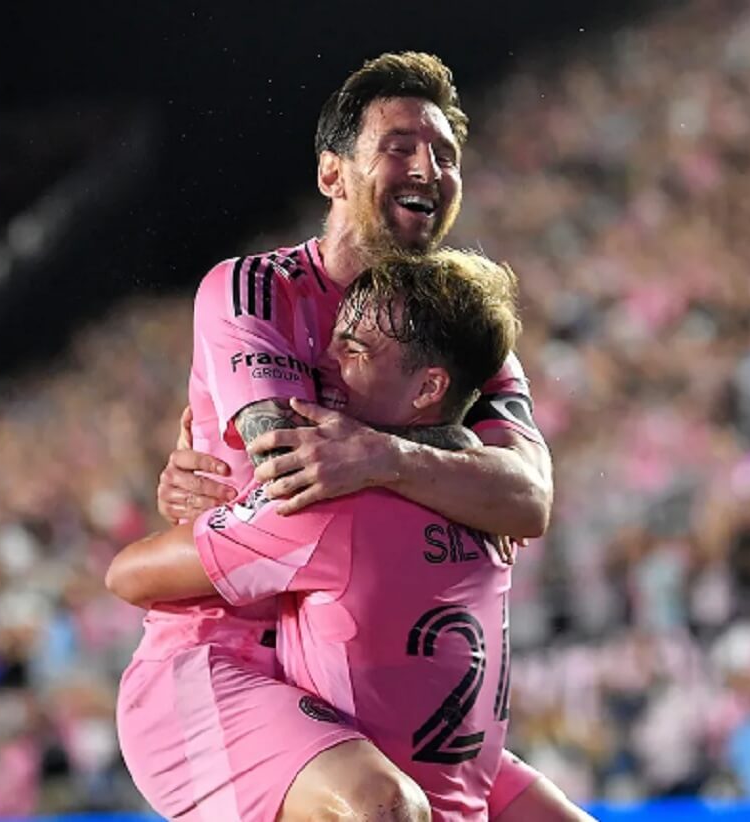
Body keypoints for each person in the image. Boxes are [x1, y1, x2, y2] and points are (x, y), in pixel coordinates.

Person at [138, 52, 583, 821]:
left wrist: (387, 456)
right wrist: (456, 471)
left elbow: (529, 499)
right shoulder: (258, 290)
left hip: (369, 675)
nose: (429, 167)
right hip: (230, 657)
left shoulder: (465, 333)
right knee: (381, 809)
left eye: (446, 154)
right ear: (332, 174)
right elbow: (292, 478)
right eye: (400, 146)